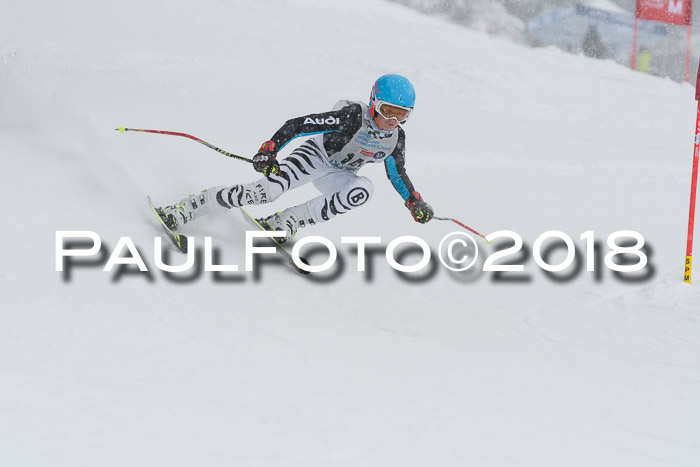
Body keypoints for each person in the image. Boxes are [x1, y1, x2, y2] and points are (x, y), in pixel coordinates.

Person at [156, 74, 434, 243]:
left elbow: (397, 173)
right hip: (314, 157)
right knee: (266, 193)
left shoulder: (396, 138)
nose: (391, 121)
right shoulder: (352, 117)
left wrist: (413, 201)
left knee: (362, 191)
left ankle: (284, 222)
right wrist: (270, 149)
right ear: (374, 102)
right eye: (387, 111)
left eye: (401, 114)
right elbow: (299, 124)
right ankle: (188, 207)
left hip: (340, 174)